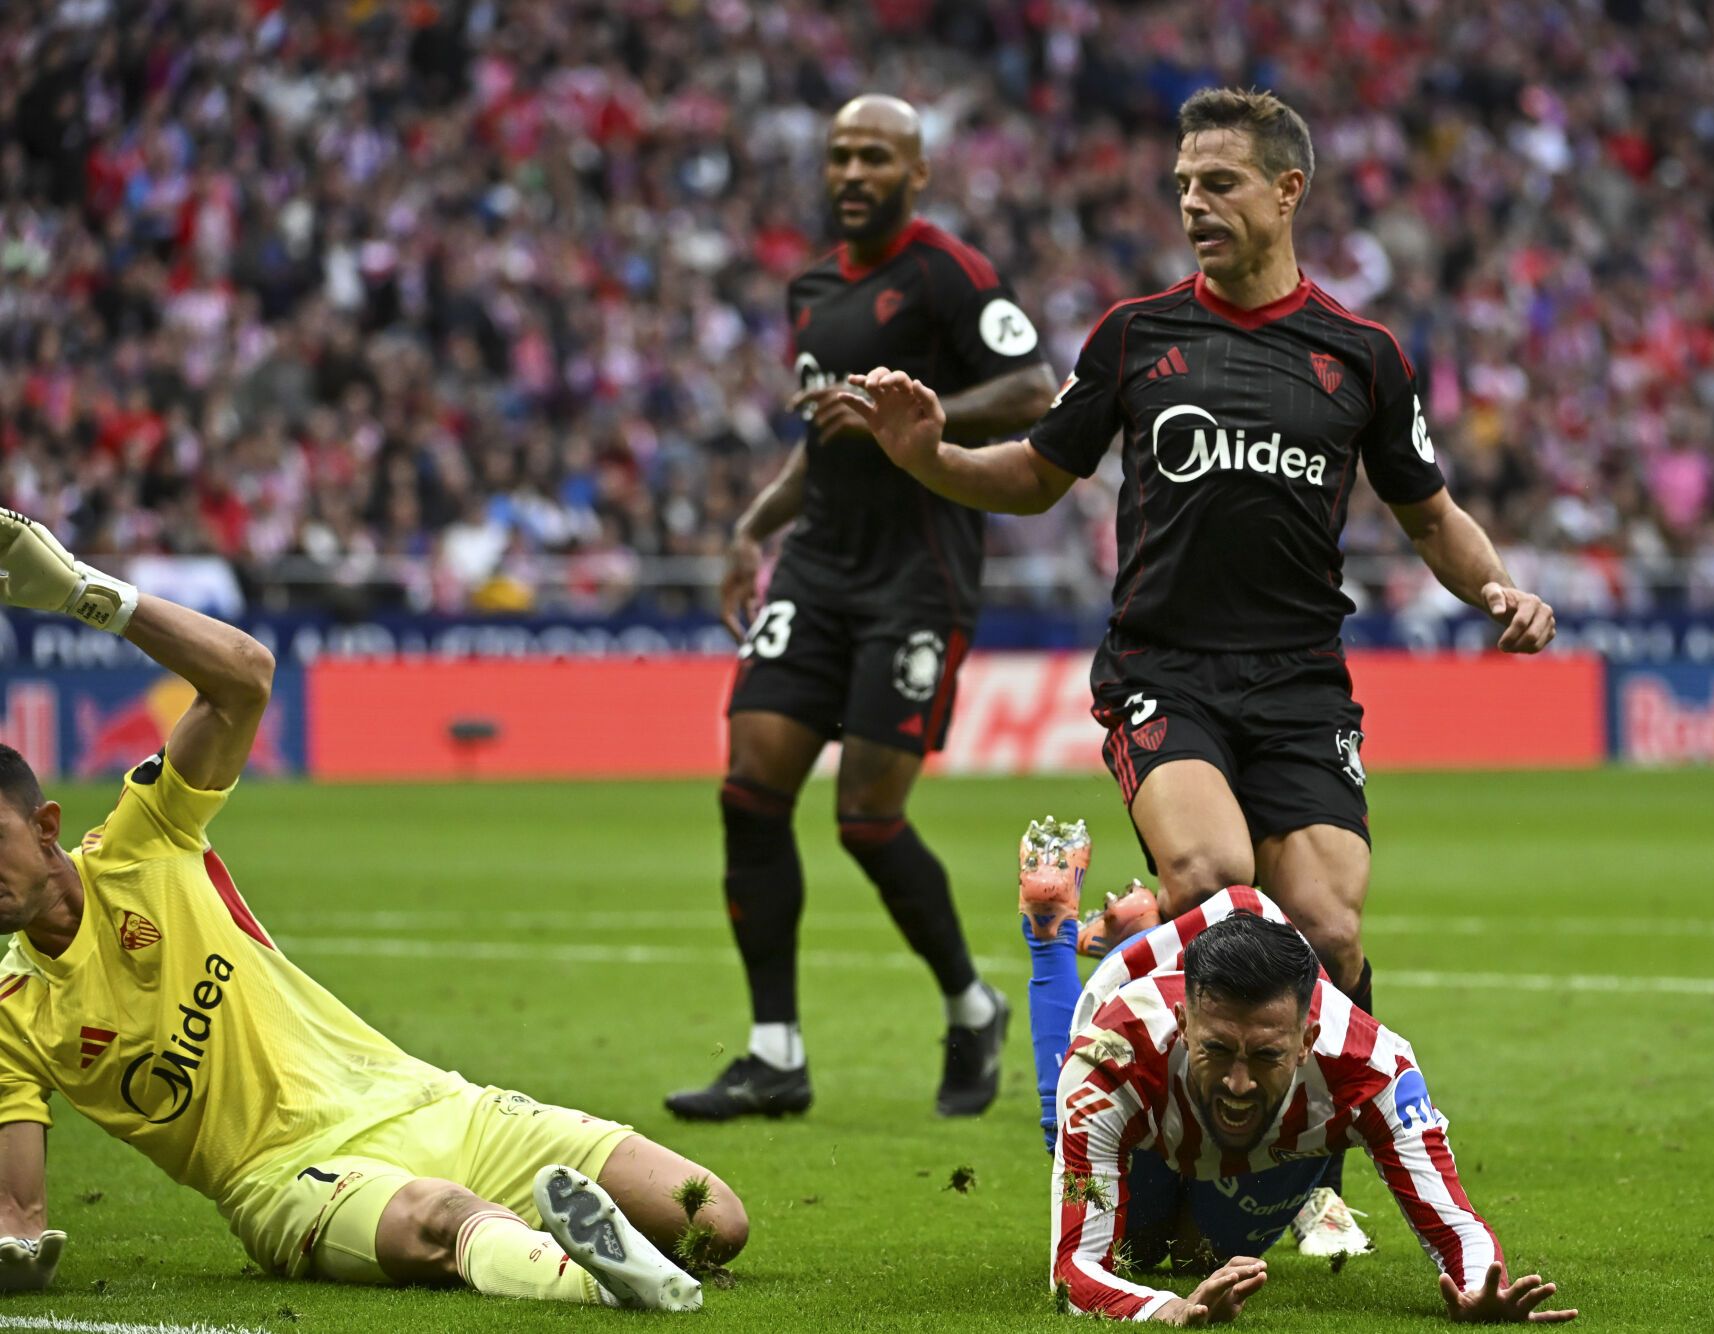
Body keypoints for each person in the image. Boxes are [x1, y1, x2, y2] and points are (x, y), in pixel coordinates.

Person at [840, 86, 1557, 1244]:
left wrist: (1496, 589)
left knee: (1324, 927)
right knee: (1217, 876)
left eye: (1216, 181)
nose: (1190, 202)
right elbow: (1033, 474)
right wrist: (929, 457)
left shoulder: (1361, 356)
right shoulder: (1135, 336)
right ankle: (1138, 1123)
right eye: (1181, 183)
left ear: (1286, 190)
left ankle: (1311, 1173)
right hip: (1163, 671)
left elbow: (1429, 515)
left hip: (1300, 684)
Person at [0, 508, 744, 1308]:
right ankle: (598, 1285)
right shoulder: (12, 1013)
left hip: (430, 1102)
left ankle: (573, 1255)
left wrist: (85, 593)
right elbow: (20, 1213)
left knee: (710, 1219)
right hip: (287, 1175)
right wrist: (15, 1252)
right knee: (443, 1218)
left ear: (45, 826)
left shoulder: (143, 840)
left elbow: (245, 677)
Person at [669, 94, 1057, 1122]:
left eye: (874, 156)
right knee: (748, 788)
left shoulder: (948, 272)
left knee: (864, 818)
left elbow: (1033, 386)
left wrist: (916, 415)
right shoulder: (807, 291)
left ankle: (971, 1006)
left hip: (916, 577)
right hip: (816, 569)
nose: (851, 172)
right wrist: (751, 527)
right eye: (839, 154)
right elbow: (822, 437)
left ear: (915, 172)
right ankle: (772, 1051)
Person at [1023, 861, 1576, 1326]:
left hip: (1240, 1113)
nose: (1238, 1084)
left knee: (1201, 1253)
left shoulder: (1372, 1068)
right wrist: (1166, 1308)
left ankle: (1156, 937)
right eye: (1217, 1049)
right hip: (1132, 1052)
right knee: (1131, 1246)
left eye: (1266, 1056)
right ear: (1183, 1024)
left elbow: (1454, 1222)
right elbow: (1074, 1271)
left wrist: (1481, 1284)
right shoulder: (1111, 1055)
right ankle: (1055, 940)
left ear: (1308, 1041)